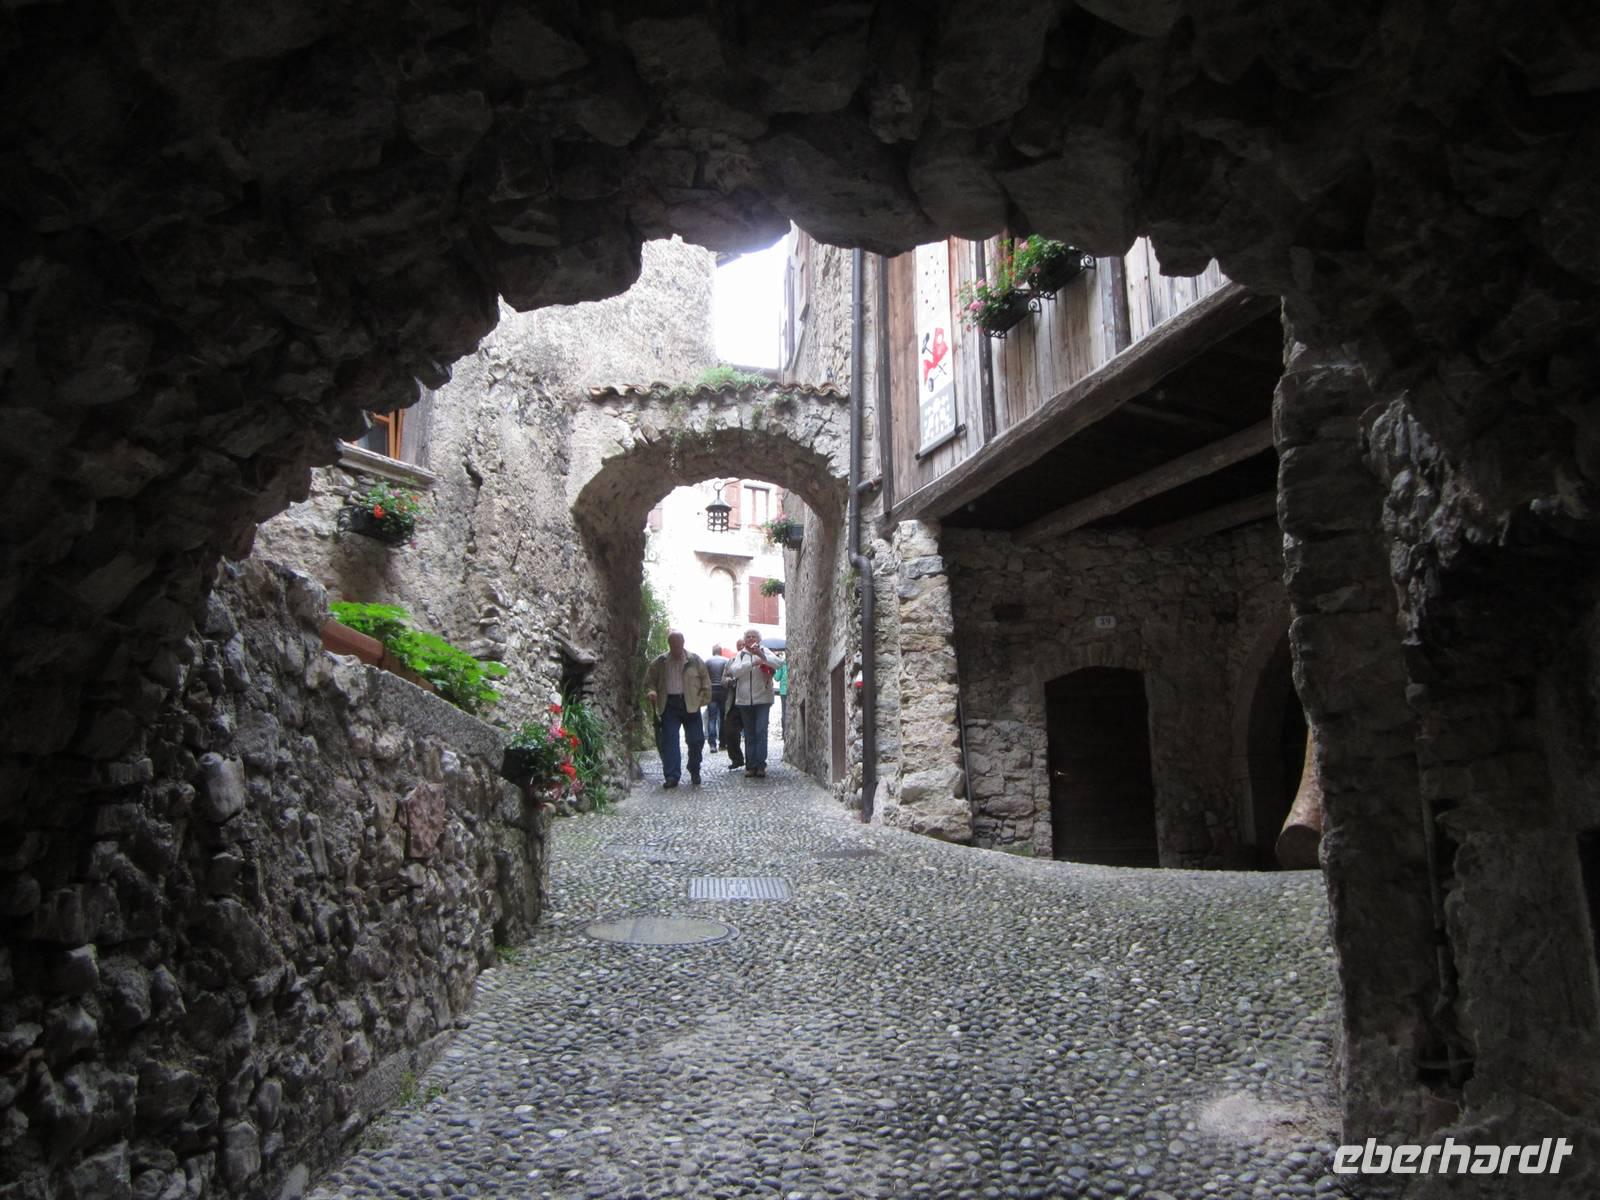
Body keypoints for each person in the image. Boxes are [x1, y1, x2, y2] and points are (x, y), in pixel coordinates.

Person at [643, 630, 712, 789]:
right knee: (670, 741)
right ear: (669, 645)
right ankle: (672, 775)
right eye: (673, 644)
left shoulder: (694, 660)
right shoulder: (660, 662)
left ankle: (694, 768)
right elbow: (649, 682)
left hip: (691, 703)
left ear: (683, 643)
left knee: (696, 740)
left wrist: (700, 700)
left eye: (678, 644)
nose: (676, 647)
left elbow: (706, 682)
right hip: (669, 704)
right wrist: (651, 691)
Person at [726, 628, 781, 778]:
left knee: (761, 732)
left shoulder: (765, 651)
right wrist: (752, 663)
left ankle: (761, 765)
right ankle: (751, 765)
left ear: (758, 639)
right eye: (748, 637)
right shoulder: (741, 655)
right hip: (744, 701)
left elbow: (778, 664)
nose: (751, 639)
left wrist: (762, 657)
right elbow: (734, 671)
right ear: (745, 640)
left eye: (754, 636)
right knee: (749, 734)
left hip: (763, 699)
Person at [704, 643, 729, 752]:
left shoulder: (707, 661)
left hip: (711, 691)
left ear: (712, 652)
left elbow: (704, 677)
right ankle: (723, 743)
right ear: (721, 651)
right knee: (723, 718)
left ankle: (712, 744)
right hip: (723, 691)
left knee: (712, 718)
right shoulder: (726, 661)